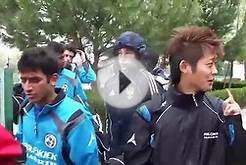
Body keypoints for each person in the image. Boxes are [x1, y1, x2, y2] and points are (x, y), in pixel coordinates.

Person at [123, 26, 246, 165]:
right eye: (209, 64)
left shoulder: (220, 112)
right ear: (185, 67)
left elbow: (239, 159)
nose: (215, 70)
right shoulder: (149, 115)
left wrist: (234, 122)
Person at [16, 47, 99, 165]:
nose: (27, 88)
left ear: (53, 79)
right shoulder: (26, 110)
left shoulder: (75, 118)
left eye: (35, 80)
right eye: (24, 80)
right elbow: (22, 152)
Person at [103, 31, 162, 164]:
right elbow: (110, 121)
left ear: (138, 55)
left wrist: (126, 159)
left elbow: (155, 129)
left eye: (128, 53)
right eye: (119, 53)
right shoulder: (111, 83)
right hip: (113, 156)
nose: (122, 58)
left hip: (138, 159)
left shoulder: (148, 82)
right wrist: (109, 152)